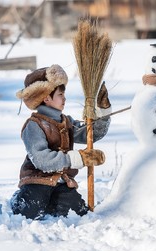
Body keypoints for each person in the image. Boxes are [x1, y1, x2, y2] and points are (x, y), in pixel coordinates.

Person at [10, 64, 111, 220]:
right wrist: (78, 158)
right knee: (31, 212)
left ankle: (52, 202)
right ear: (46, 98)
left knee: (77, 213)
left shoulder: (66, 122)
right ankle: (20, 198)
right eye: (60, 95)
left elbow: (89, 135)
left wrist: (103, 113)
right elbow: (41, 160)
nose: (64, 98)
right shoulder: (34, 125)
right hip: (37, 180)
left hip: (62, 182)